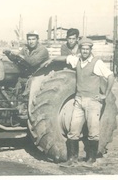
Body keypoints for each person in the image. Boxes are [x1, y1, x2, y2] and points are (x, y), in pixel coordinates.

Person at [48, 37, 115, 167]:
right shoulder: (77, 60)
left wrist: (105, 95)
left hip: (93, 102)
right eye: (83, 49)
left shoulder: (97, 63)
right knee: (73, 130)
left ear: (90, 50)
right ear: (80, 49)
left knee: (93, 131)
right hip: (78, 101)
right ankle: (72, 159)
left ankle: (91, 159)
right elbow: (65, 58)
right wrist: (51, 59)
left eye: (87, 49)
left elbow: (110, 76)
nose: (84, 51)